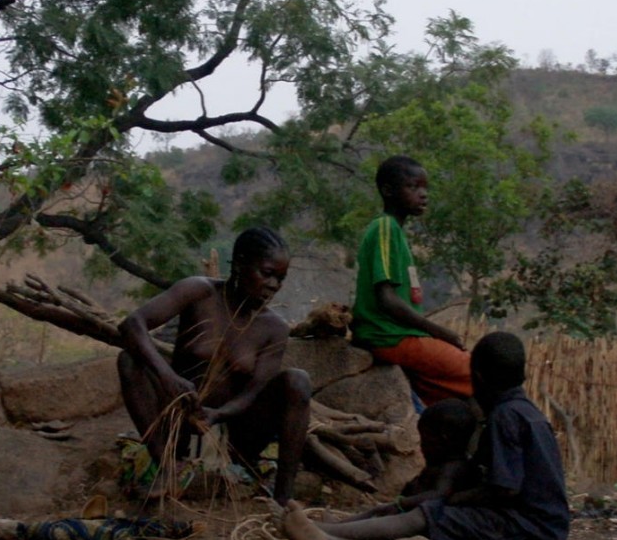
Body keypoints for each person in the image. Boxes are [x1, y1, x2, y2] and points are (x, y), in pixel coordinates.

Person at [283, 331, 570, 540]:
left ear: (478, 378)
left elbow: (505, 488)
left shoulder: (505, 417)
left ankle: (328, 532)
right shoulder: (528, 413)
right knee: (428, 532)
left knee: (431, 515)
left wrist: (456, 499)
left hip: (524, 525)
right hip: (541, 525)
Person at [116, 227, 311, 506]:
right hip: (178, 425)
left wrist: (219, 414)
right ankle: (168, 467)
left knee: (298, 381)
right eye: (267, 273)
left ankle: (283, 500)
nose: (274, 285)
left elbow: (254, 392)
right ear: (240, 263)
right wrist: (168, 377)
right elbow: (132, 324)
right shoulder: (199, 292)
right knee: (129, 360)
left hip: (233, 436)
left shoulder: (274, 328)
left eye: (280, 278)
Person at [350, 155, 472, 408]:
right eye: (413, 187)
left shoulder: (396, 232)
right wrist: (439, 332)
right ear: (388, 191)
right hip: (389, 336)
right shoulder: (385, 228)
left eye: (425, 188)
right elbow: (386, 299)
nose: (423, 194)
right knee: (480, 373)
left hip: (399, 336)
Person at [338, 398, 478, 521]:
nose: (422, 446)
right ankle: (340, 525)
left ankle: (338, 527)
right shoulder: (441, 464)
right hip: (410, 513)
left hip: (422, 519)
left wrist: (402, 503)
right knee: (376, 512)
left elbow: (439, 495)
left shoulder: (453, 468)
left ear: (443, 439)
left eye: (425, 440)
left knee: (378, 514)